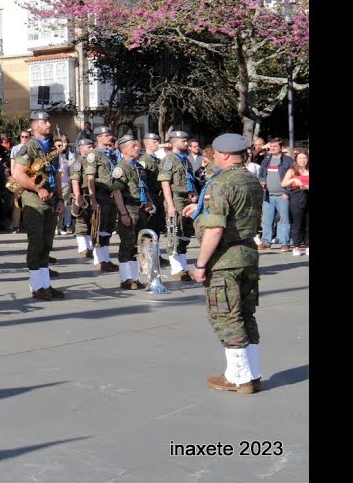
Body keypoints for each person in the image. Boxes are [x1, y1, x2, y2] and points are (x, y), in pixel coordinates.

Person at [183, 133, 263, 394]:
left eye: (216, 153)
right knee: (246, 315)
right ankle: (252, 372)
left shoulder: (221, 183)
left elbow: (216, 229)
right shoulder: (251, 179)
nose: (213, 158)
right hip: (247, 254)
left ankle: (238, 378)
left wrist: (200, 265)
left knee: (226, 317)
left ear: (226, 154)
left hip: (225, 259)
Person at [11, 112, 66, 300]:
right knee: (36, 244)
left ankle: (46, 285)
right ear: (34, 126)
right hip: (34, 200)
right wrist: (37, 188)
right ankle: (36, 286)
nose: (49, 124)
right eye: (44, 122)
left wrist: (60, 199)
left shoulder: (51, 147)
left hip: (51, 199)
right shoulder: (29, 147)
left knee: (47, 244)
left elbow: (56, 175)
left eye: (48, 121)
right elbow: (18, 174)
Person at [109, 134, 152, 290]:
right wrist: (123, 213)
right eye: (133, 146)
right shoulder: (121, 168)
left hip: (140, 208)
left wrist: (149, 201)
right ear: (124, 150)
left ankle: (135, 277)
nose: (137, 147)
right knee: (127, 243)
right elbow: (116, 192)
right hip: (128, 207)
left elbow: (143, 186)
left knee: (137, 244)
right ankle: (125, 278)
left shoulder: (138, 166)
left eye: (137, 145)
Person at [160, 130, 199, 281]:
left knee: (185, 234)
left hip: (187, 199)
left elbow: (190, 179)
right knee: (175, 232)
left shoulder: (185, 160)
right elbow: (165, 183)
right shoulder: (169, 160)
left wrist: (194, 193)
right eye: (183, 141)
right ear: (174, 142)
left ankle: (183, 268)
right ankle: (176, 268)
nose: (186, 143)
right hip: (176, 199)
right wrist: (170, 205)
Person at [85, 125, 120, 274]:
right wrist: (93, 199)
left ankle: (105, 259)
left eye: (110, 135)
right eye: (107, 135)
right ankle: (99, 260)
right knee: (99, 228)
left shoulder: (111, 154)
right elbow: (90, 178)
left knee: (108, 228)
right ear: (99, 138)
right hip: (100, 194)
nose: (110, 137)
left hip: (111, 195)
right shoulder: (94, 155)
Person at [257, 138, 293, 252]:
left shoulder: (288, 161)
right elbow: (262, 174)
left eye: (275, 146)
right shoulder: (266, 160)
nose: (272, 148)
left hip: (283, 195)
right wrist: (262, 182)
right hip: (268, 195)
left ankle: (284, 243)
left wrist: (287, 192)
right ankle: (266, 241)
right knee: (267, 219)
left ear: (281, 148)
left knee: (284, 220)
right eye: (271, 146)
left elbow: (292, 177)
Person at [281, 148, 309, 256]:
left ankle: (307, 245)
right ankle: (296, 246)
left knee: (308, 223)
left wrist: (307, 186)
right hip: (297, 197)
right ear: (296, 160)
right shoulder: (292, 171)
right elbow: (283, 184)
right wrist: (293, 180)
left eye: (304, 158)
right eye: (300, 158)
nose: (302, 160)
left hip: (308, 194)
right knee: (297, 223)